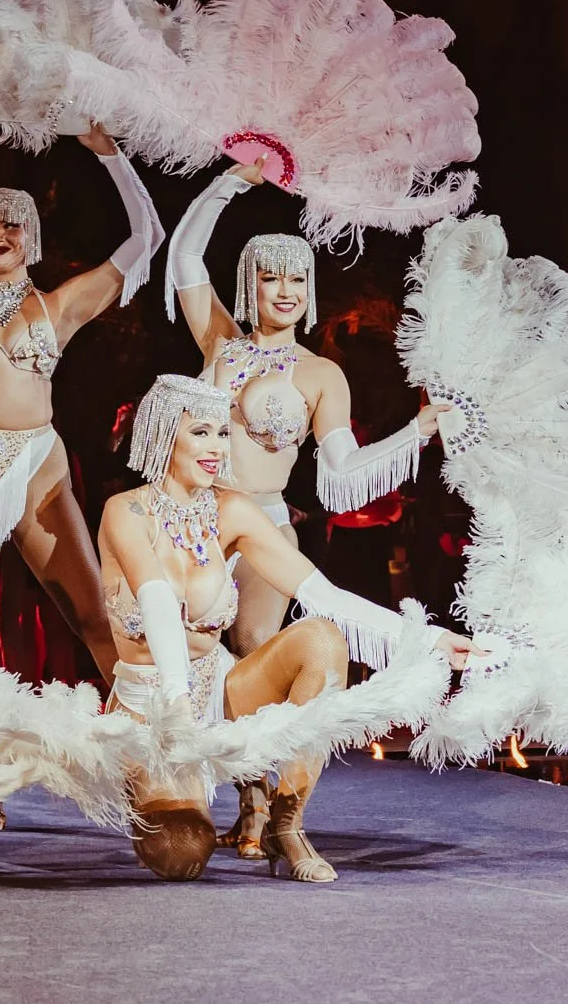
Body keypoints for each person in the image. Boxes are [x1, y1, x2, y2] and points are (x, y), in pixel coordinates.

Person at [0, 61, 164, 829]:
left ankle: (144, 756)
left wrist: (105, 150)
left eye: (12, 222)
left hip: (37, 465)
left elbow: (148, 236)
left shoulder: (64, 302)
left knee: (94, 616)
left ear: (32, 235)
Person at [164, 162, 446, 854]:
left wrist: (417, 433)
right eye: (270, 276)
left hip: (263, 524)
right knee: (193, 656)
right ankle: (231, 796)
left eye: (296, 278)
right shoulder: (219, 345)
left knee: (254, 649)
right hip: (191, 524)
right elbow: (182, 256)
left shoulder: (323, 376)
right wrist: (233, 179)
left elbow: (343, 473)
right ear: (249, 284)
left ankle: (264, 802)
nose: (285, 291)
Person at [99, 375, 473, 880]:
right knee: (183, 854)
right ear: (166, 434)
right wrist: (180, 714)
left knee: (321, 638)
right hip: (150, 716)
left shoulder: (231, 511)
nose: (216, 448)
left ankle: (286, 824)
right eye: (201, 433)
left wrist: (429, 639)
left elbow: (324, 595)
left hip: (218, 694)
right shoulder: (125, 512)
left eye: (223, 434)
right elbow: (158, 600)